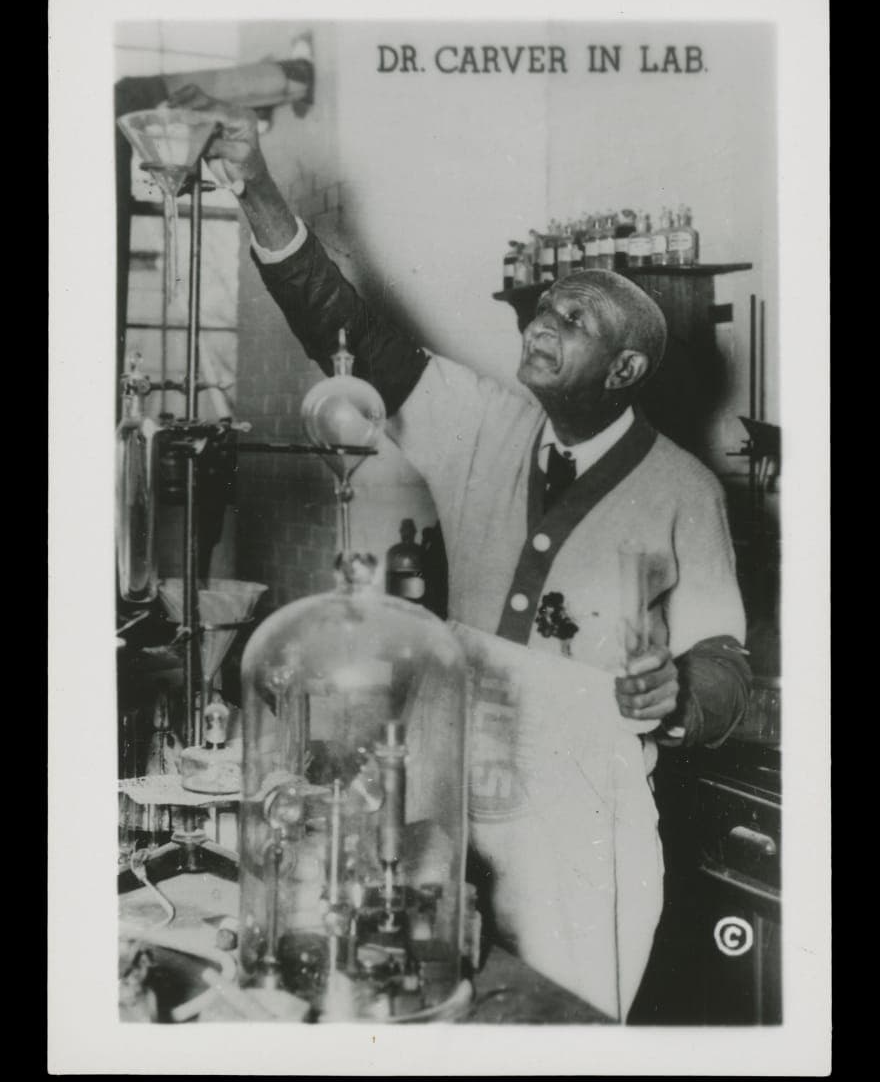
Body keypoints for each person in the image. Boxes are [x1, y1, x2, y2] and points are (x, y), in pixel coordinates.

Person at [168, 86, 752, 1010]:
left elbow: (726, 662)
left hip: (578, 825)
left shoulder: (687, 491)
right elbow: (348, 332)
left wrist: (682, 690)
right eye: (543, 311)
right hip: (449, 794)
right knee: (423, 999)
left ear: (628, 369)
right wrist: (258, 190)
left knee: (550, 1021)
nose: (540, 327)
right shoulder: (482, 422)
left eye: (573, 322)